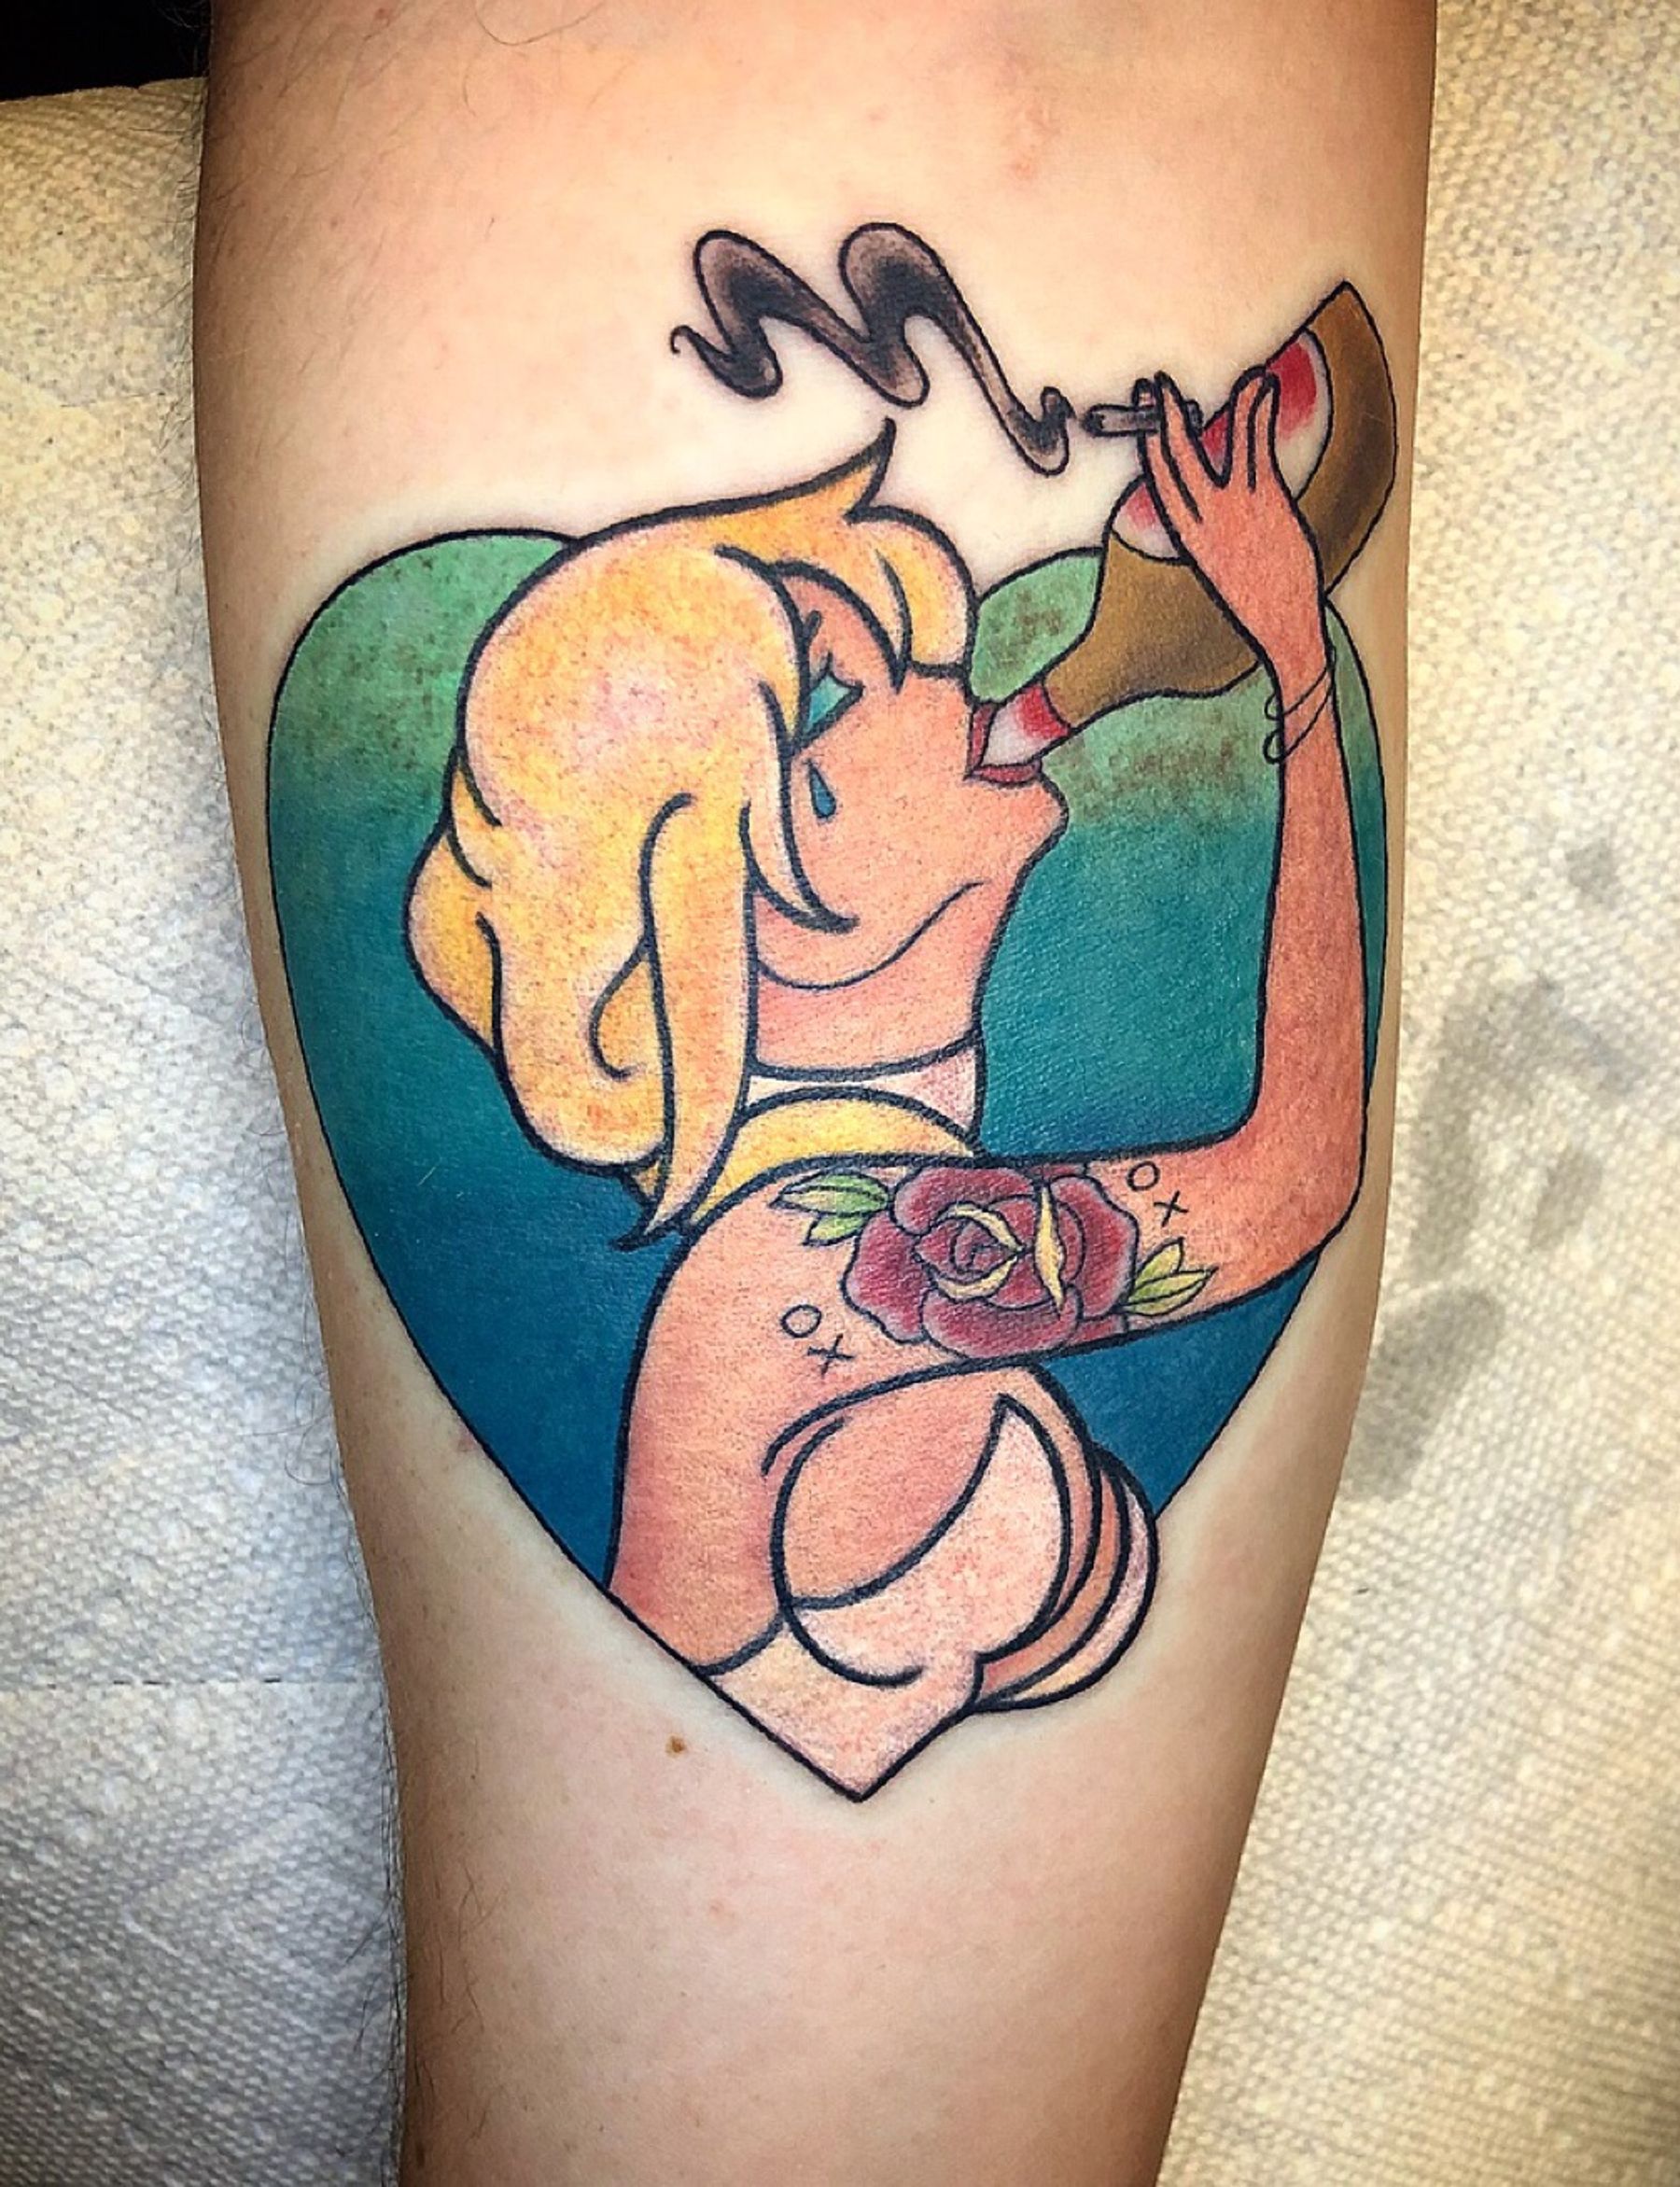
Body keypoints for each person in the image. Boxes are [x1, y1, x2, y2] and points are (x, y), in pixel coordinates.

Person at [195, 0, 1434, 2175]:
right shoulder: (858, 1258)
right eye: (861, 687)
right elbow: (1290, 1170)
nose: (958, 659)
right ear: (770, 888)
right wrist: (1288, 688)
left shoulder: (852, 1213)